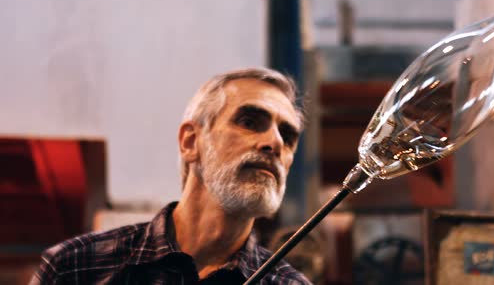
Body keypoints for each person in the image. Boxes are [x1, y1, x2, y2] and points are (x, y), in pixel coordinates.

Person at [30, 68, 312, 284]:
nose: (274, 143)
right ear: (190, 142)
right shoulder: (76, 266)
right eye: (249, 122)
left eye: (287, 136)